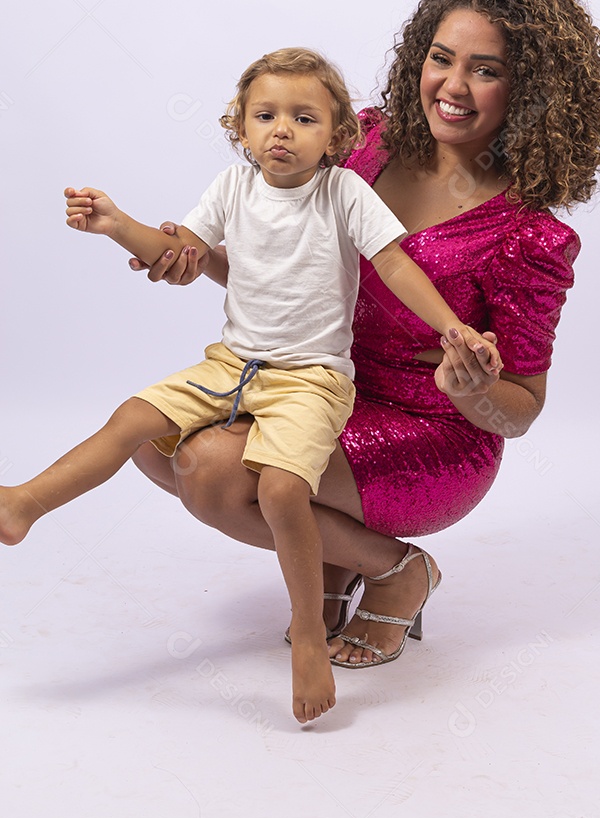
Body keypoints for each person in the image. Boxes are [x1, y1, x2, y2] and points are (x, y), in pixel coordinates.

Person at [128, 0, 600, 673]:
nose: (450, 86)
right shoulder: (362, 145)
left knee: (210, 470)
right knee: (152, 438)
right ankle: (333, 554)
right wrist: (199, 258)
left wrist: (474, 388)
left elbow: (522, 411)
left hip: (429, 434)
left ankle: (396, 569)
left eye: (484, 70)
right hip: (314, 384)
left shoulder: (528, 237)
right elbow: (281, 277)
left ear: (531, 92)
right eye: (441, 58)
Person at [0, 47, 500, 724]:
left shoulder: (343, 193)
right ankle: (24, 502)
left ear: (338, 137)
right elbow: (182, 251)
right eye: (266, 116)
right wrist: (118, 224)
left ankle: (307, 638)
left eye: (303, 118)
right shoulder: (232, 189)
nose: (282, 131)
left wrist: (450, 327)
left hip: (312, 381)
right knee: (131, 422)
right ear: (241, 127)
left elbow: (395, 263)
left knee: (281, 487)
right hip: (232, 364)